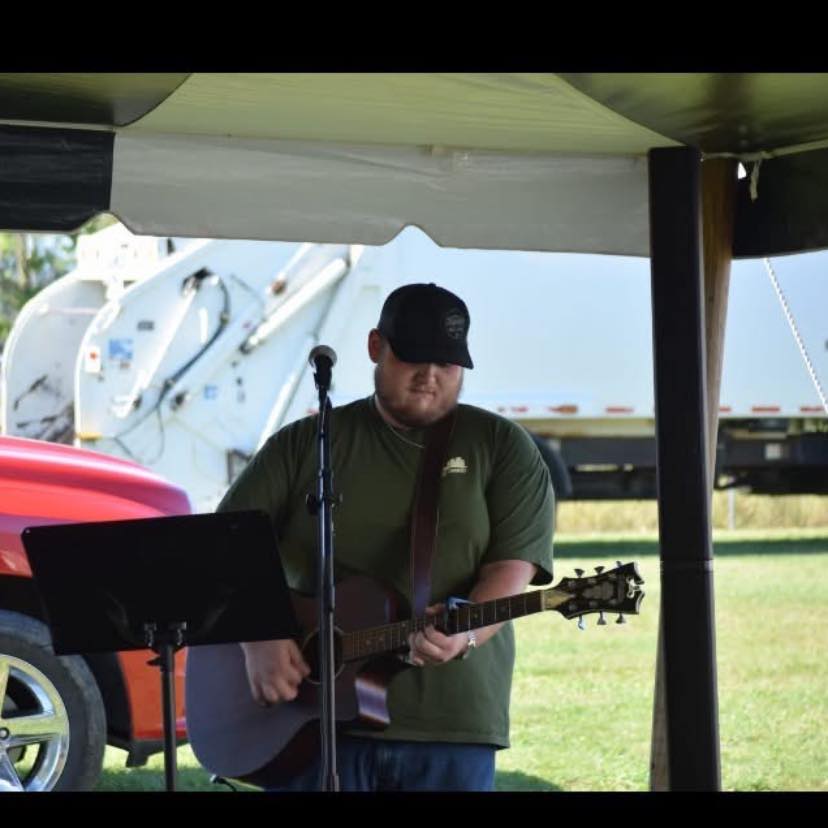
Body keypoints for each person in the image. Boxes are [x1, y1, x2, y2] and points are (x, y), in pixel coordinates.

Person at [216, 282, 555, 791]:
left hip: (450, 725)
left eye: (447, 363)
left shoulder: (501, 446)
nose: (429, 376)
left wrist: (465, 634)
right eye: (413, 357)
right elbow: (227, 546)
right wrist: (258, 638)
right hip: (310, 722)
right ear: (376, 346)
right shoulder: (307, 443)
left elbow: (512, 567)